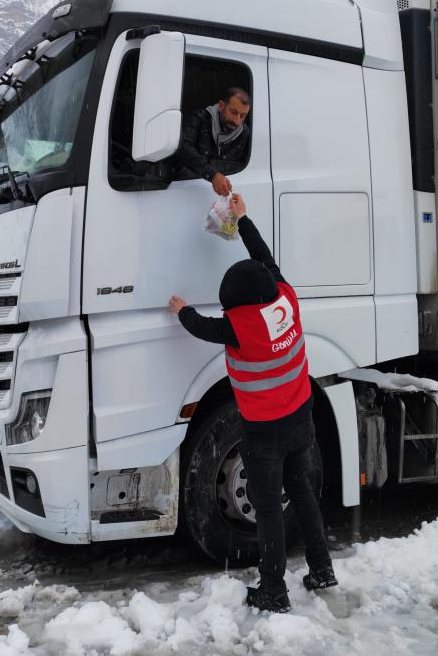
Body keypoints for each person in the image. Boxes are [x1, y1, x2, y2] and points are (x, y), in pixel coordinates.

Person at [167, 194, 337, 613]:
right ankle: (321, 568)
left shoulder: (239, 327)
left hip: (264, 433)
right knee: (302, 494)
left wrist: (181, 310)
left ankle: (274, 591)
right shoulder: (286, 299)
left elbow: (201, 327)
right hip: (301, 418)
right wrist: (243, 220)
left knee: (268, 511)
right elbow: (265, 258)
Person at [177, 87, 251, 197]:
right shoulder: (199, 119)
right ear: (221, 106)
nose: (237, 121)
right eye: (233, 112)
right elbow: (183, 149)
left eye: (242, 116)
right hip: (187, 192)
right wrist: (213, 175)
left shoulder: (244, 134)